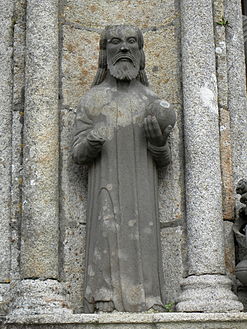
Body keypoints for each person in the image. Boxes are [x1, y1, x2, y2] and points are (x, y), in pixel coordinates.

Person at [72, 25, 176, 313]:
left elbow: (165, 160)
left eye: (132, 42)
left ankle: (150, 298)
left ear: (141, 54)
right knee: (106, 231)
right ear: (105, 54)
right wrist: (91, 142)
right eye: (115, 43)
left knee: (143, 234)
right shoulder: (93, 100)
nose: (124, 48)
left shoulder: (152, 102)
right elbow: (77, 153)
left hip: (142, 190)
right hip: (105, 186)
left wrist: (158, 143)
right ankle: (102, 296)